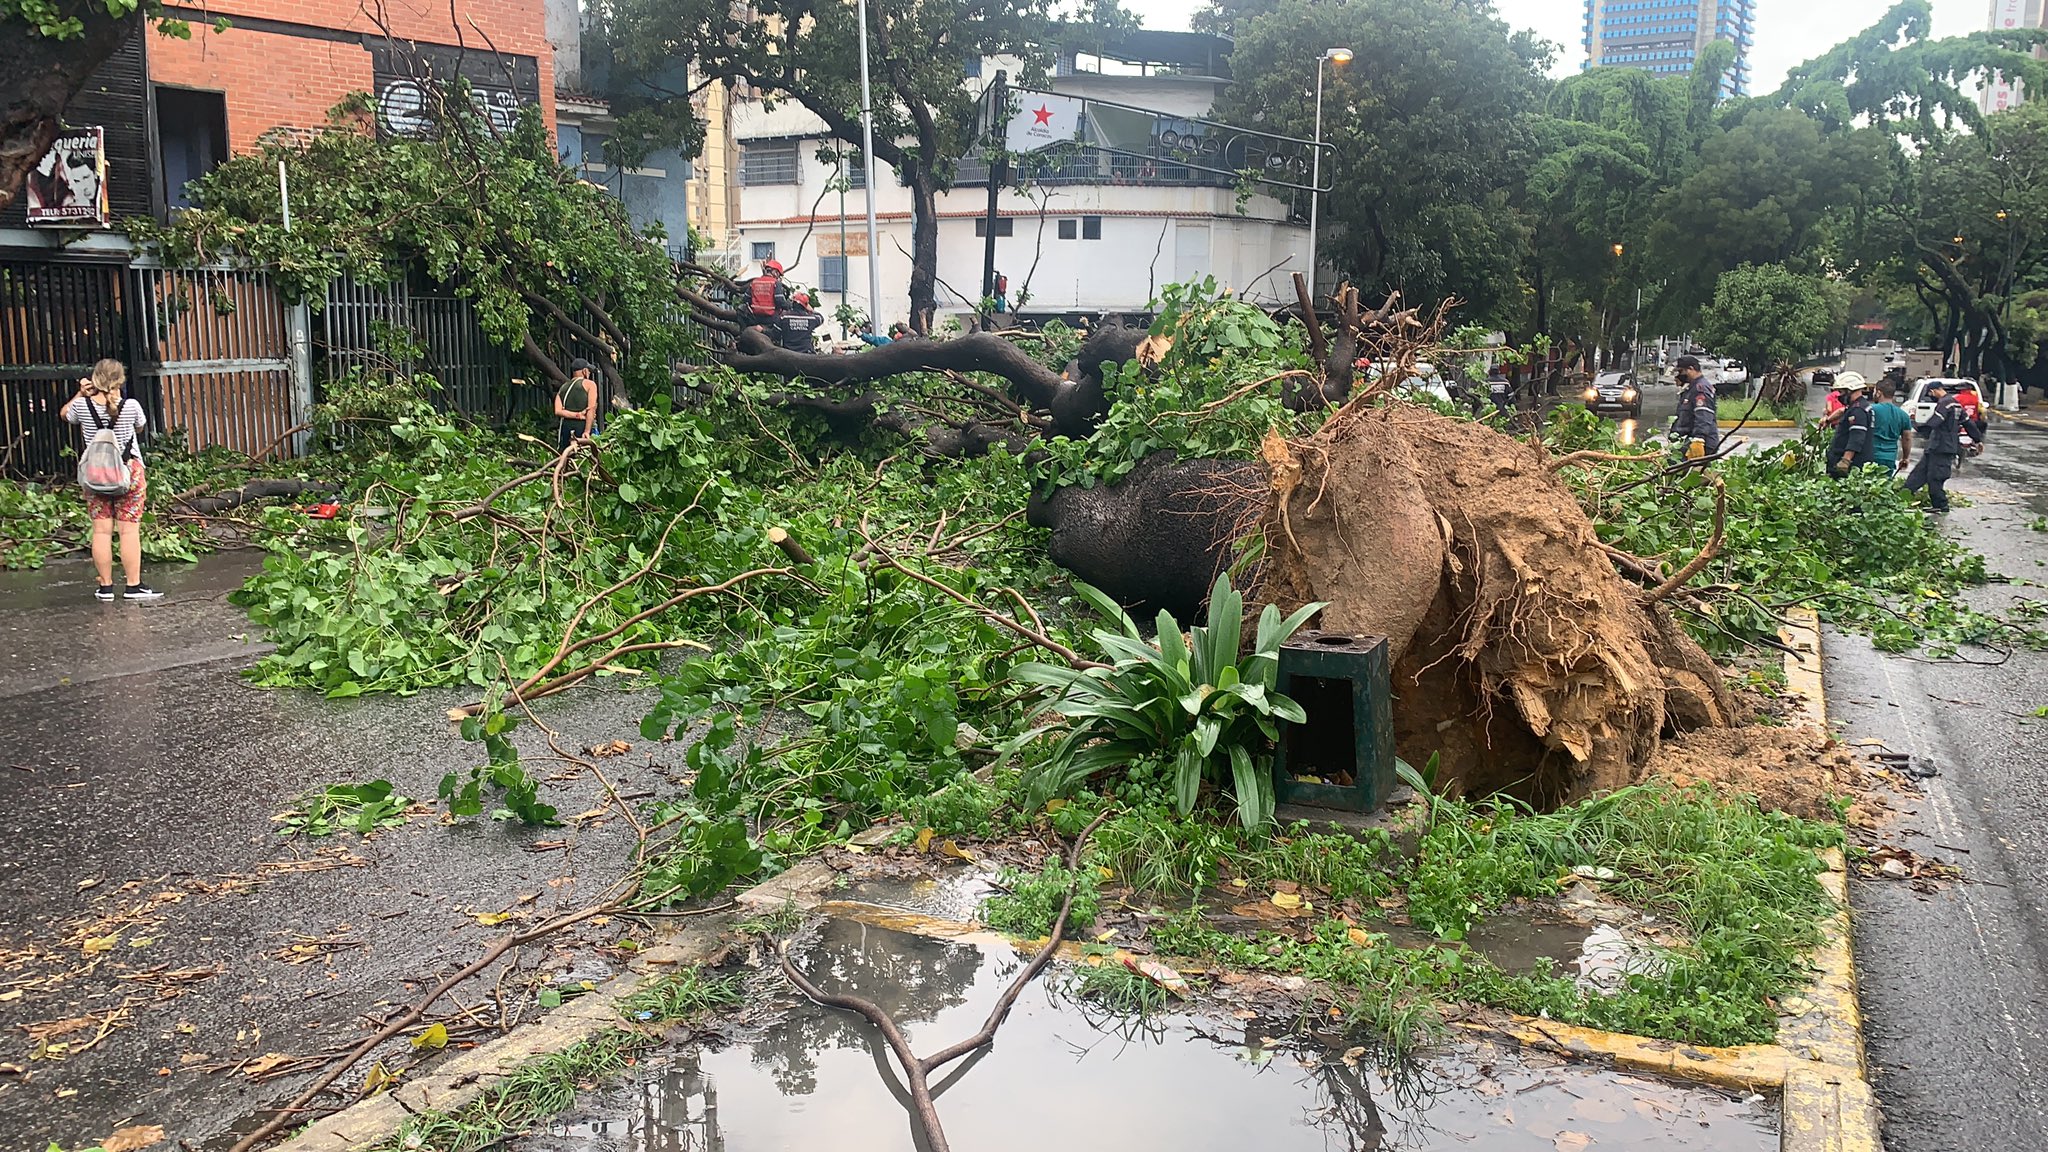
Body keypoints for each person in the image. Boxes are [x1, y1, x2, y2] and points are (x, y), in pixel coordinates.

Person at [60, 359, 161, 601]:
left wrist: (80, 394)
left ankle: (105, 587)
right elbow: (140, 427)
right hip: (129, 473)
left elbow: (64, 414)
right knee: (128, 532)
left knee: (101, 532)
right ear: (120, 380)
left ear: (95, 379)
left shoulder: (82, 406)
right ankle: (133, 586)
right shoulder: (131, 405)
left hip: (95, 476)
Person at [1903, 381, 1964, 512]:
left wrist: (1915, 424)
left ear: (1934, 391)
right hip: (1935, 447)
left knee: (1935, 477)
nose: (1931, 396)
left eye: (1930, 394)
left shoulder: (1944, 404)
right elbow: (1968, 422)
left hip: (1942, 448)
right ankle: (1902, 496)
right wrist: (1977, 440)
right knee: (1919, 473)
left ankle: (1941, 505)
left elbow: (1934, 423)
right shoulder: (1955, 404)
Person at [1669, 355, 1719, 461]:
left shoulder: (1700, 388)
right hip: (1686, 443)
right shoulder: (1691, 388)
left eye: (1680, 371)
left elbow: (1703, 415)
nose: (1678, 375)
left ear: (1691, 369)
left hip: (1698, 445)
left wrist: (1699, 439)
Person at [1826, 375, 1875, 477]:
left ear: (1849, 390)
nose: (1840, 396)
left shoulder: (1858, 411)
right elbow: (1843, 411)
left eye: (1841, 392)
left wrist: (1846, 460)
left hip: (1851, 465)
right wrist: (1828, 420)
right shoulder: (1861, 406)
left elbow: (1856, 437)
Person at [1870, 380, 1913, 475]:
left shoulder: (1871, 410)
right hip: (1889, 458)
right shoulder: (1903, 415)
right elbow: (1907, 438)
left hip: (1871, 455)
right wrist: (1905, 458)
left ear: (1878, 393)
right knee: (1884, 486)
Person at [553, 358, 598, 450]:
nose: (589, 373)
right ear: (584, 371)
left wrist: (577, 415)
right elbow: (591, 409)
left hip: (566, 429)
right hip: (582, 428)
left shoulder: (563, 387)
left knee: (567, 458)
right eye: (589, 371)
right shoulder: (590, 384)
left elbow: (557, 411)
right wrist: (587, 431)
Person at [741, 258, 789, 328]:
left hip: (755, 318)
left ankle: (742, 330)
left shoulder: (754, 282)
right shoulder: (776, 283)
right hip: (771, 319)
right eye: (779, 275)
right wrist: (790, 305)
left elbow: (746, 299)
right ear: (775, 272)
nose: (778, 277)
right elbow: (779, 301)